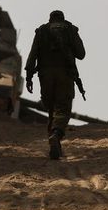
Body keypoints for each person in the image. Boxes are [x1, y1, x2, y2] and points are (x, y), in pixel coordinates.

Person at [25, 10, 86, 159]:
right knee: (63, 108)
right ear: (63, 19)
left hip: (45, 76)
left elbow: (33, 55)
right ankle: (56, 134)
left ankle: (54, 142)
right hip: (65, 75)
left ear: (50, 19)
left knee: (52, 108)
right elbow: (81, 54)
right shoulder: (70, 30)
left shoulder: (42, 31)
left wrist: (29, 77)